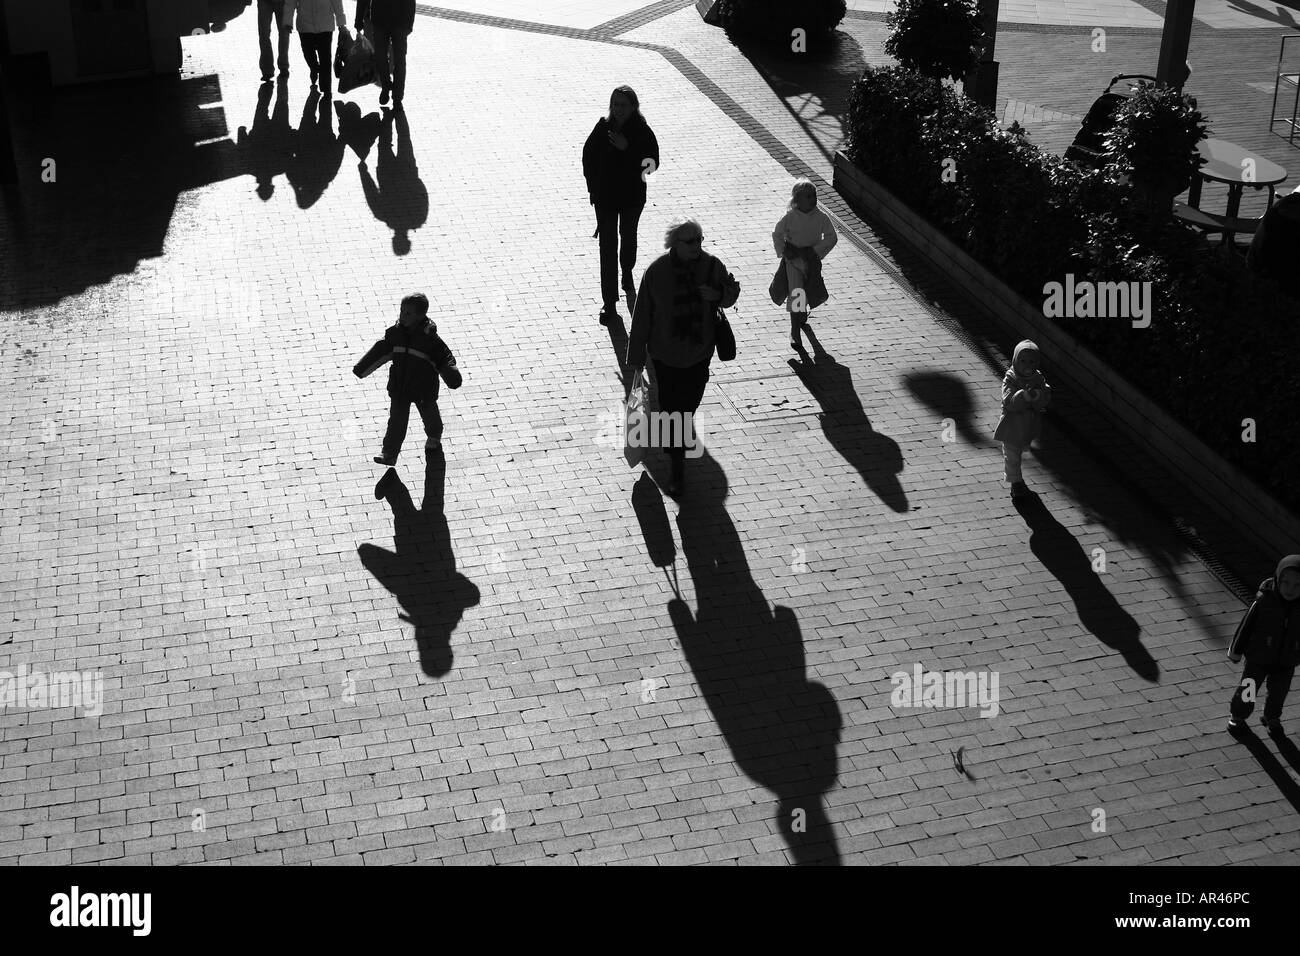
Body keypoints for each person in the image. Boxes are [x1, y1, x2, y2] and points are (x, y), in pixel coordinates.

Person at [626, 219, 739, 496]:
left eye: (700, 239)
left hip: (700, 353)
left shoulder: (712, 266)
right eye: (690, 241)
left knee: (687, 406)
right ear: (674, 244)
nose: (697, 246)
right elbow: (642, 315)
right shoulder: (657, 272)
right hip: (665, 355)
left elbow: (731, 293)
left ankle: (677, 435)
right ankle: (677, 467)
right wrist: (637, 357)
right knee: (673, 409)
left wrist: (718, 294)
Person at [354, 293, 462, 466]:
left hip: (423, 389)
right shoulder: (396, 335)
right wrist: (362, 368)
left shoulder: (430, 340)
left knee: (429, 414)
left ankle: (434, 435)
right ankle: (389, 453)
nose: (402, 316)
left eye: (408, 314)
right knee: (396, 421)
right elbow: (380, 350)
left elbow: (444, 358)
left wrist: (452, 375)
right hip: (400, 387)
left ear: (421, 316)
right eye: (402, 311)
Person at [583, 86, 660, 325]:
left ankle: (627, 271)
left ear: (633, 107)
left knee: (627, 237)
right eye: (615, 104)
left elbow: (652, 165)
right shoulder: (602, 127)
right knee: (607, 247)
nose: (618, 109)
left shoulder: (642, 132)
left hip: (631, 198)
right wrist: (593, 188)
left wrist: (629, 150)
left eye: (623, 105)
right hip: (605, 199)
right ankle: (610, 302)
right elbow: (588, 156)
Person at [1228, 555, 1300, 736]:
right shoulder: (1264, 602)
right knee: (1249, 688)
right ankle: (1238, 716)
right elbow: (1246, 626)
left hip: (1286, 660)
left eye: (1297, 585)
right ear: (1277, 579)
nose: (1290, 589)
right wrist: (1236, 651)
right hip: (1258, 657)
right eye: (1286, 582)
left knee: (1279, 693)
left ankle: (1272, 717)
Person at [771, 178, 837, 350]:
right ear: (796, 200)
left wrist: (815, 252)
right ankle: (795, 331)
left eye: (814, 195)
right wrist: (785, 251)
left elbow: (831, 237)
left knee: (808, 289)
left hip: (811, 261)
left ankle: (800, 313)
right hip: (793, 261)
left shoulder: (821, 217)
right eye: (808, 196)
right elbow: (777, 234)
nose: (812, 199)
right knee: (797, 291)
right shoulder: (789, 217)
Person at [993, 340, 1051, 500]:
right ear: (1015, 360)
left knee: (1019, 450)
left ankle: (1017, 481)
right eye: (1022, 360)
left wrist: (1039, 394)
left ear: (1037, 363)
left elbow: (1045, 395)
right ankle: (1016, 484)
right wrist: (1023, 395)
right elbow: (1008, 400)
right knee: (1012, 455)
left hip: (1028, 425)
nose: (1027, 365)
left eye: (1031, 361)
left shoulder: (1038, 379)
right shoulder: (1011, 379)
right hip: (1011, 426)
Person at [356, 0, 416, 107]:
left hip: (399, 22)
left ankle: (397, 97)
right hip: (381, 20)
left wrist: (409, 24)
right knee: (381, 58)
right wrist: (359, 18)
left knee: (399, 61)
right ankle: (386, 86)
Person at [282, 0, 349, 94]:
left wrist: (341, 23)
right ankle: (314, 68)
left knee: (325, 58)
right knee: (308, 54)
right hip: (305, 25)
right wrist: (288, 21)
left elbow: (337, 2)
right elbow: (290, 2)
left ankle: (326, 88)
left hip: (325, 23)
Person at [257, 0, 292, 82]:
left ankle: (283, 66)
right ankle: (267, 69)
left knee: (284, 33)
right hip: (264, 2)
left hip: (282, 2)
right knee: (264, 35)